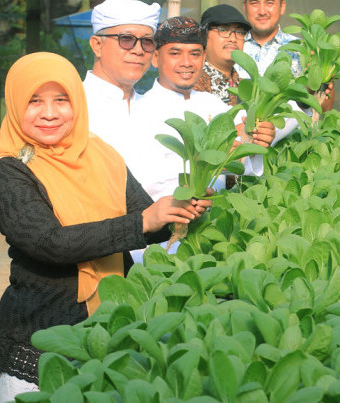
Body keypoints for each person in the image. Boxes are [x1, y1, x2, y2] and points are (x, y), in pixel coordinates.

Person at [0, 53, 211, 400]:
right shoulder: (10, 170)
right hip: (38, 337)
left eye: (61, 99)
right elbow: (50, 243)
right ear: (14, 102)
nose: (49, 113)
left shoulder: (102, 154)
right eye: (34, 101)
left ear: (76, 102)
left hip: (110, 329)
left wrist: (179, 208)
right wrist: (145, 220)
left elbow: (146, 224)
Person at [133, 16, 276, 261]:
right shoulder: (139, 110)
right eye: (175, 53)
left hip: (214, 234)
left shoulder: (213, 104)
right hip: (159, 243)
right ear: (156, 58)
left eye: (196, 54)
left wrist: (256, 141)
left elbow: (237, 170)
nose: (187, 63)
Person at [241, 0, 334, 142]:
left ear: (282, 6)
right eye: (254, 3)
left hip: (291, 147)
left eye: (270, 3)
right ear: (244, 6)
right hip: (242, 146)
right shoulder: (234, 47)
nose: (262, 11)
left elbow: (324, 109)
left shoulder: (302, 50)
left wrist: (321, 81)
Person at [83, 0, 161, 168]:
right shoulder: (73, 106)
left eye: (147, 42)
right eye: (126, 39)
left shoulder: (156, 108)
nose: (138, 50)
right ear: (97, 45)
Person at [194, 4, 251, 106]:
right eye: (223, 30)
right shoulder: (191, 84)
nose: (233, 39)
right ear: (204, 36)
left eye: (239, 32)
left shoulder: (249, 88)